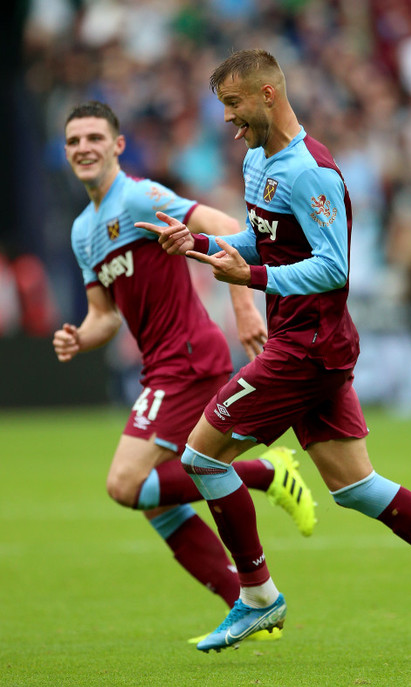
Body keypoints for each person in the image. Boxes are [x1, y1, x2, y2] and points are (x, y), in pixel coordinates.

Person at [137, 49, 411, 660]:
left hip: (306, 347)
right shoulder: (258, 160)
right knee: (356, 487)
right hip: (314, 343)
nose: (229, 121)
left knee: (200, 458)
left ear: (267, 95)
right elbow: (259, 239)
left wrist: (253, 279)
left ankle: (258, 597)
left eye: (234, 105)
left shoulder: (312, 171)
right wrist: (200, 242)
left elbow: (334, 267)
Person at [53, 100, 316, 641]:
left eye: (94, 138)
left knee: (126, 484)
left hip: (187, 358)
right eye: (74, 140)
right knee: (157, 501)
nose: (84, 147)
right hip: (163, 365)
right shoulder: (84, 231)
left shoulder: (138, 196)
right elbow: (104, 317)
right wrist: (80, 336)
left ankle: (268, 474)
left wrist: (243, 303)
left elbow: (224, 226)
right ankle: (249, 605)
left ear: (117, 146)